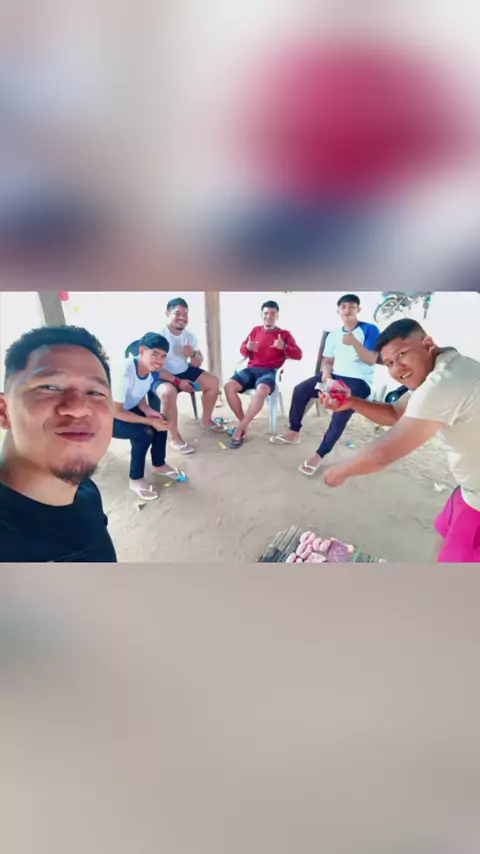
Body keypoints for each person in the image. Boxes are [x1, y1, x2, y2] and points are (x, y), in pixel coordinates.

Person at [321, 318, 480, 563]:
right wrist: (351, 402)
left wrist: (340, 472)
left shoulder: (442, 384)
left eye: (402, 354)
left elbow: (382, 454)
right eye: (389, 363)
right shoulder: (449, 365)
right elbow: (395, 412)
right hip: (468, 488)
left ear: (427, 343)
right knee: (442, 541)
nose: (398, 368)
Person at [0, 325, 117, 562]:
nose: (78, 408)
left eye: (95, 393)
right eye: (49, 387)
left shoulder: (85, 491)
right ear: (4, 411)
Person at [271, 294, 379, 476]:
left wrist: (354, 342)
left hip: (359, 381)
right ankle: (294, 432)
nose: (347, 310)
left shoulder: (369, 329)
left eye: (352, 306)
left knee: (341, 409)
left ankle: (319, 454)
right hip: (334, 376)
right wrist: (327, 376)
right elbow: (327, 361)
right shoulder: (334, 335)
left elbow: (371, 359)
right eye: (343, 307)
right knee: (300, 390)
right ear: (338, 311)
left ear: (358, 309)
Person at [112, 332, 185, 502]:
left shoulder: (152, 370)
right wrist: (148, 420)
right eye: (155, 354)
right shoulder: (124, 371)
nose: (159, 360)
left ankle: (159, 464)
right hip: (105, 416)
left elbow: (139, 394)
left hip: (127, 408)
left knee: (161, 421)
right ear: (142, 351)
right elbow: (116, 411)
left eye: (163, 356)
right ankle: (135, 479)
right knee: (144, 432)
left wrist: (147, 410)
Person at [151, 297, 226, 455]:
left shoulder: (189, 335)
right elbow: (154, 368)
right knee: (168, 392)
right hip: (162, 375)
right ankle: (174, 437)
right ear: (167, 314)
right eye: (177, 313)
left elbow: (197, 363)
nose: (182, 318)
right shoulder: (159, 336)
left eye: (185, 314)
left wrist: (191, 354)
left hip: (184, 371)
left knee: (213, 382)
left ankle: (206, 420)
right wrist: (178, 381)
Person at [224, 300, 302, 448]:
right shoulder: (255, 330)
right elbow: (243, 350)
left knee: (262, 390)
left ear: (277, 316)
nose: (269, 316)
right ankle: (244, 424)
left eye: (272, 314)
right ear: (261, 315)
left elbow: (298, 355)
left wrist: (284, 346)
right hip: (251, 370)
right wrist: (247, 348)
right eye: (266, 313)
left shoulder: (284, 334)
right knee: (229, 386)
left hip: (269, 371)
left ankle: (240, 429)